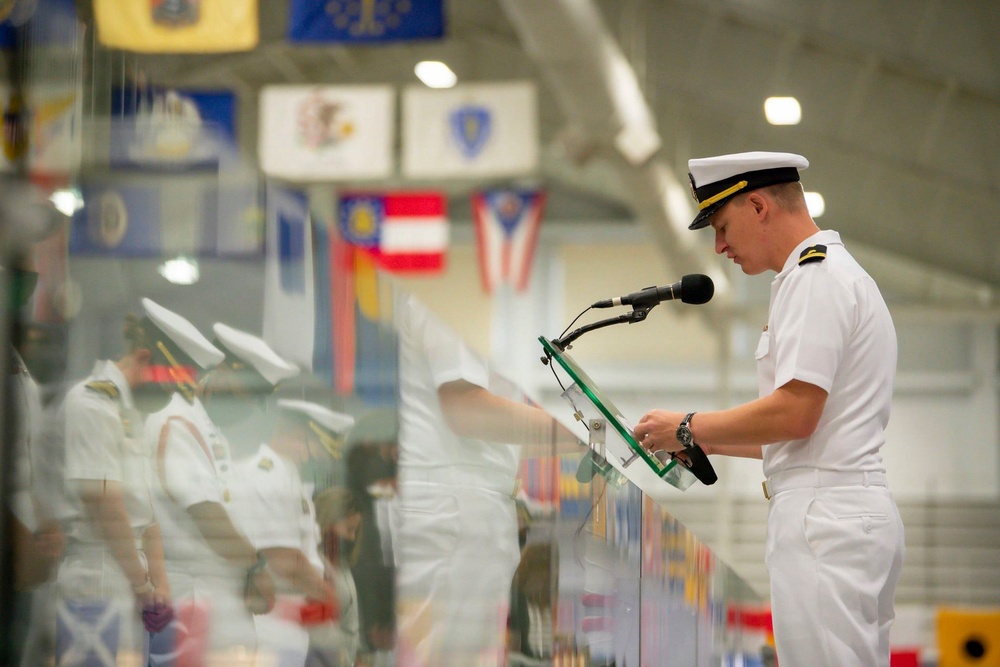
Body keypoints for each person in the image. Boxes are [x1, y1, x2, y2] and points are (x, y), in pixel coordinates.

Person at [633, 151, 905, 666]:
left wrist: (688, 425)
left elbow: (795, 413)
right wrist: (697, 441)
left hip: (825, 519)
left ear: (758, 205)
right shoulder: (828, 274)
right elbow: (807, 431)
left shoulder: (814, 277)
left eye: (722, 225)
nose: (719, 246)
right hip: (845, 510)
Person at [391, 291, 582, 666]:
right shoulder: (453, 299)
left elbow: (495, 439)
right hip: (456, 508)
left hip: (464, 500)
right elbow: (465, 410)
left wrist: (582, 441)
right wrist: (588, 433)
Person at [142, 306, 280, 663]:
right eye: (244, 392)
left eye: (253, 401)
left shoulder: (208, 431)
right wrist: (256, 565)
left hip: (217, 604)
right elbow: (207, 515)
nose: (246, 406)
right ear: (221, 372)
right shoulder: (177, 424)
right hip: (192, 598)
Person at [231, 397, 352, 667]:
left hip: (292, 623)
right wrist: (329, 597)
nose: (321, 457)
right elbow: (286, 561)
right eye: (321, 447)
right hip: (270, 624)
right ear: (299, 436)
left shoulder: (287, 475)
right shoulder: (269, 475)